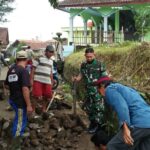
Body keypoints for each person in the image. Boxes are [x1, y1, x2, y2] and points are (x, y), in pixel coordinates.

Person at [96, 76, 150, 150]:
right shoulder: (126, 89)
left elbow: (122, 106)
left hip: (140, 122)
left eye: (98, 89)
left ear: (102, 86)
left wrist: (125, 128)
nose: (99, 92)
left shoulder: (109, 89)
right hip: (147, 122)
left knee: (112, 146)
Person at [72, 47, 108, 133]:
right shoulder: (83, 65)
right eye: (87, 56)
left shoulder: (100, 64)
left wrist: (102, 89)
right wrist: (76, 79)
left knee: (98, 108)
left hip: (97, 90)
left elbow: (104, 77)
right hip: (88, 90)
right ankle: (92, 124)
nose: (89, 58)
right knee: (90, 108)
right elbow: (81, 74)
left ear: (94, 55)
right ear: (85, 56)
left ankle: (98, 127)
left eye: (91, 56)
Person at [5, 50, 33, 149]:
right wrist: (29, 105)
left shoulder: (11, 69)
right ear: (26, 60)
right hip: (20, 102)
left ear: (16, 59)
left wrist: (14, 89)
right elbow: (25, 88)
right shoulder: (23, 71)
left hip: (13, 100)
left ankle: (17, 136)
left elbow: (6, 85)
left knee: (20, 118)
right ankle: (15, 145)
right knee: (20, 121)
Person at [30, 45, 54, 113]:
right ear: (46, 51)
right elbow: (33, 69)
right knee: (36, 96)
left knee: (48, 96)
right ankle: (33, 110)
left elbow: (51, 72)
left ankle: (43, 109)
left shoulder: (51, 61)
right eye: (50, 52)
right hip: (38, 80)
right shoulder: (39, 58)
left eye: (52, 52)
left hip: (47, 81)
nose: (51, 53)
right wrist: (31, 80)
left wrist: (52, 81)